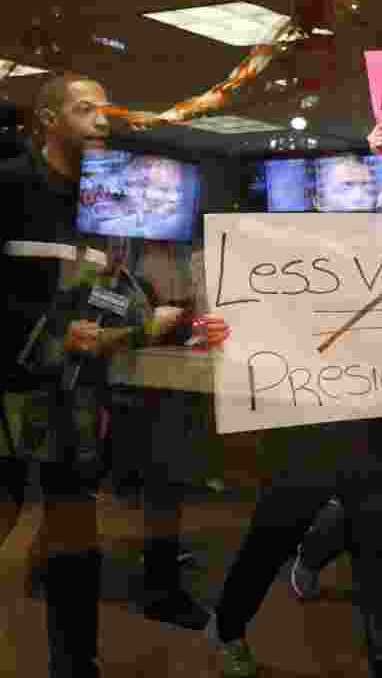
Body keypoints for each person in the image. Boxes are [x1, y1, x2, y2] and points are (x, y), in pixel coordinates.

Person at [205, 129, 382, 678]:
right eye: (345, 185)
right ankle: (229, 626)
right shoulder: (285, 251)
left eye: (366, 182)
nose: (360, 193)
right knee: (271, 537)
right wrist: (223, 330)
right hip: (308, 427)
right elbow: (253, 323)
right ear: (319, 198)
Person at [0, 72, 186, 678]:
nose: (103, 120)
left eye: (106, 109)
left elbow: (110, 293)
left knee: (74, 543)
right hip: (9, 395)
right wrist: (52, 330)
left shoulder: (105, 200)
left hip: (73, 399)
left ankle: (76, 665)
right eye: (85, 110)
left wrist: (158, 317)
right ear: (50, 118)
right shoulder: (10, 184)